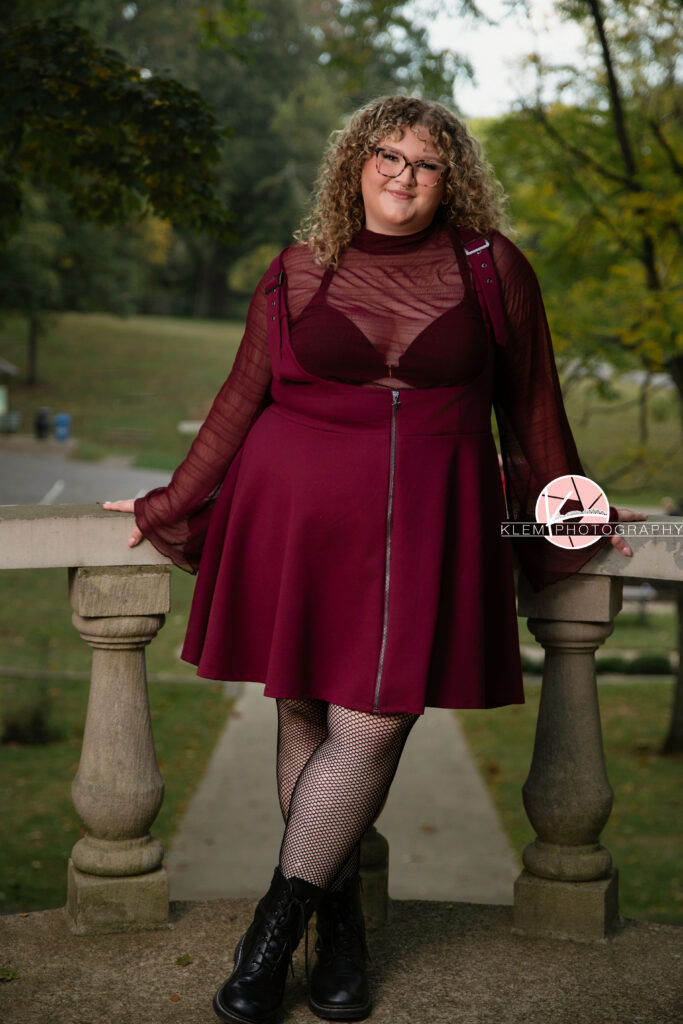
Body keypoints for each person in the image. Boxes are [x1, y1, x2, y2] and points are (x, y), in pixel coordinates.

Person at [103, 95, 645, 1024]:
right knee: (306, 703)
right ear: (354, 165)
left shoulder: (491, 268)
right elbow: (242, 397)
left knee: (376, 714)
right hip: (296, 511)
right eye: (385, 155)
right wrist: (169, 502)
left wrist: (571, 516)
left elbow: (533, 408)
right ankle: (339, 923)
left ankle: (275, 926)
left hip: (429, 520)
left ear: (452, 180)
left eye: (425, 163)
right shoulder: (299, 269)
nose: (402, 174)